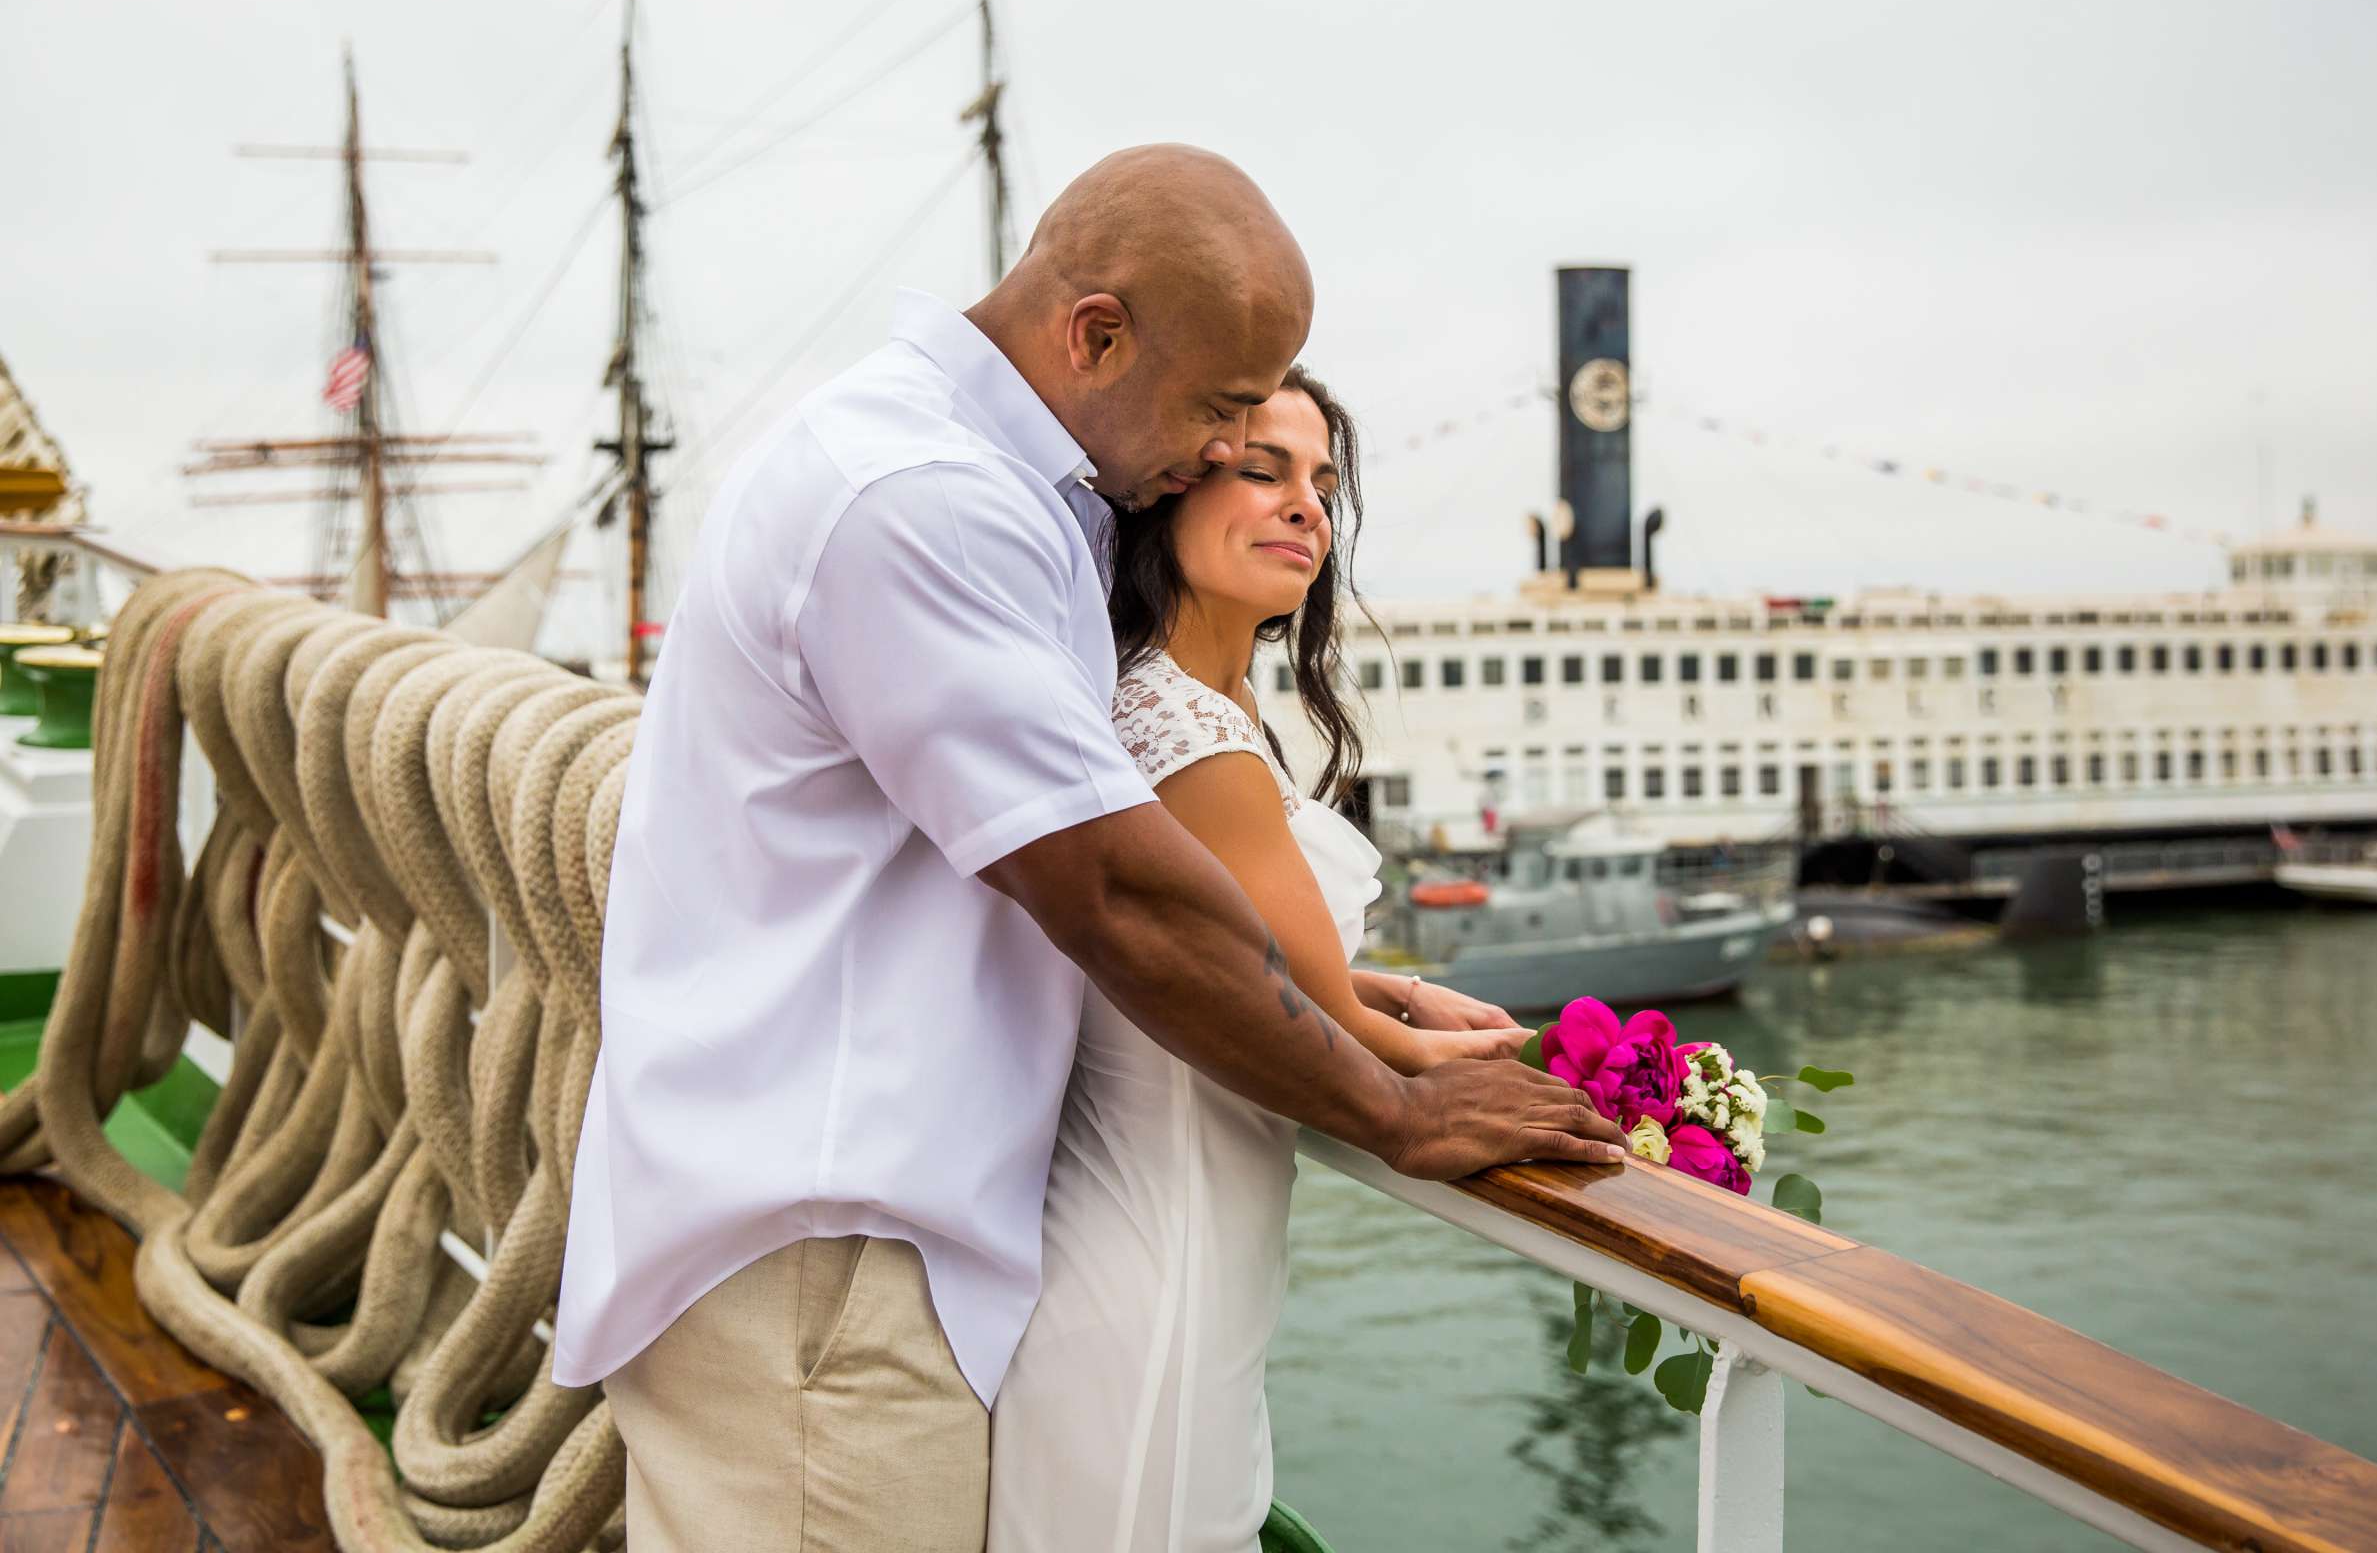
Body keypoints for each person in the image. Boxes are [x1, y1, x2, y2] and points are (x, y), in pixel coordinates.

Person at [553, 144, 1624, 1552]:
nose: (1234, 447)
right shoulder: (915, 498)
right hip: (820, 1268)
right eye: (1225, 406)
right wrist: (1396, 1111)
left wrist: (1363, 1002)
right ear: (1096, 334)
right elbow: (1111, 886)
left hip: (851, 1245)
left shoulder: (990, 484)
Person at [989, 365, 1524, 1549]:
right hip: (1155, 1261)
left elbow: (1258, 961)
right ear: (1169, 496)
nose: (1308, 508)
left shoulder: (1185, 712)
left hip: (1169, 1248)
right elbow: (1319, 1019)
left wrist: (1400, 995)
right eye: (1264, 471)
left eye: (1324, 483)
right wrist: (1580, 1094)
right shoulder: (1185, 734)